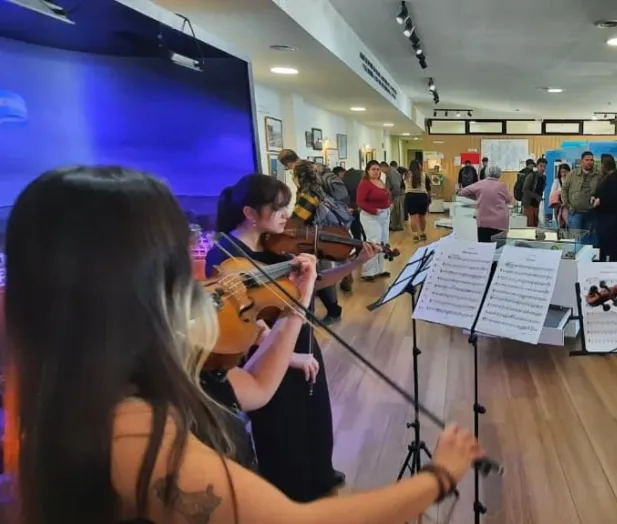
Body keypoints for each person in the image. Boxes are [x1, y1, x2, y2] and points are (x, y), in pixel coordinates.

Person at [2, 165, 485, 523]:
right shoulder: (130, 435)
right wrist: (439, 477)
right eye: (178, 258)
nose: (196, 282)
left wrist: (297, 303)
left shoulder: (113, 379)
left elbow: (252, 387)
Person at [207, 174, 370, 501]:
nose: (287, 215)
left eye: (287, 206)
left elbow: (312, 283)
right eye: (278, 208)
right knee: (283, 433)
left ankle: (320, 474)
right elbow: (242, 321)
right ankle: (292, 497)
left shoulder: (273, 243)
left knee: (316, 417)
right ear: (250, 213)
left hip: (300, 338)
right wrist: (291, 357)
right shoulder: (225, 256)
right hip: (270, 354)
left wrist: (356, 262)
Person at [278, 149, 353, 317]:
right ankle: (331, 304)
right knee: (320, 268)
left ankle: (332, 309)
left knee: (319, 270)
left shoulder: (304, 180)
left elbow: (306, 206)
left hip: (316, 231)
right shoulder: (315, 171)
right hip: (323, 227)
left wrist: (290, 224)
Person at [357, 160, 392, 281]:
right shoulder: (365, 184)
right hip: (370, 216)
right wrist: (374, 210)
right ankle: (368, 272)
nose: (376, 171)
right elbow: (360, 202)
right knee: (374, 242)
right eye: (373, 169)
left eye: (378, 169)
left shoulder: (380, 181)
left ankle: (379, 269)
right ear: (367, 171)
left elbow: (386, 195)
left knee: (383, 242)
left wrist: (389, 204)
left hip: (384, 214)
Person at [458, 165, 512, 242]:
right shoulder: (502, 186)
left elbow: (462, 192)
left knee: (483, 246)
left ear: (487, 173)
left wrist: (478, 197)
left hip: (483, 221)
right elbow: (509, 200)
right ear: (499, 174)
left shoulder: (480, 184)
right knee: (498, 247)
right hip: (499, 222)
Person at [591, 154, 617, 262]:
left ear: (605, 164)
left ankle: (613, 262)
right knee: (603, 242)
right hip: (603, 217)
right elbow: (600, 192)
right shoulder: (606, 177)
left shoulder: (616, 178)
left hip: (610, 217)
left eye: (601, 164)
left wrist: (601, 201)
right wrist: (594, 196)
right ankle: (602, 261)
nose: (600, 167)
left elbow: (616, 198)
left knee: (611, 242)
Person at [561, 151, 602, 243]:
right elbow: (564, 189)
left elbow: (602, 190)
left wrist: (598, 198)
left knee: (587, 241)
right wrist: (567, 205)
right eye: (587, 160)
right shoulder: (573, 174)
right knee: (576, 241)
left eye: (591, 160)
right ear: (581, 161)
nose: (590, 162)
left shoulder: (598, 175)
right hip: (575, 212)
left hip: (591, 213)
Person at [405, 161, 431, 242]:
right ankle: (422, 233)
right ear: (418, 165)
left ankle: (415, 235)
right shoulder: (423, 174)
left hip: (410, 196)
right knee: (422, 216)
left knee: (413, 217)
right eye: (420, 165)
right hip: (422, 196)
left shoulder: (406, 175)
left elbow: (403, 185)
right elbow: (428, 186)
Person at [521, 159, 547, 228]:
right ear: (537, 166)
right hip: (528, 205)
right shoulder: (531, 176)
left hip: (537, 205)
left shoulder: (544, 178)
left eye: (544, 166)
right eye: (541, 166)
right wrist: (536, 196)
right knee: (530, 226)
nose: (543, 168)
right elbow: (525, 190)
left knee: (535, 225)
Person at [549, 163, 570, 228]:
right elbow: (552, 194)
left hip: (568, 206)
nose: (563, 174)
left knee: (569, 225)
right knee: (561, 226)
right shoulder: (557, 181)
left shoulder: (571, 181)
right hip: (558, 207)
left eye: (565, 172)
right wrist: (561, 192)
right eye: (561, 172)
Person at [386, 161, 405, 231]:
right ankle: (395, 225)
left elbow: (396, 186)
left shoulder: (392, 172)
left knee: (398, 211)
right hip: (396, 194)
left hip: (396, 195)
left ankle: (398, 225)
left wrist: (392, 195)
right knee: (395, 211)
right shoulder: (392, 172)